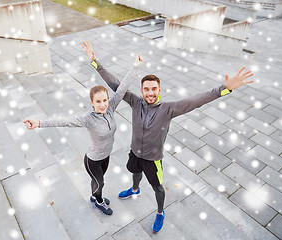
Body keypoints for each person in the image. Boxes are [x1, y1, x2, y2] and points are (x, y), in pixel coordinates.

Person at [83, 41, 253, 233]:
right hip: (135, 154)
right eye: (146, 89)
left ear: (159, 90)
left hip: (153, 160)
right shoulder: (135, 102)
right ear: (142, 90)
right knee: (134, 171)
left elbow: (196, 101)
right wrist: (95, 62)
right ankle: (135, 189)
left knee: (158, 188)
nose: (150, 93)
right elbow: (116, 84)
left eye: (154, 89)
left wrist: (225, 88)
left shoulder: (169, 109)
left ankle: (160, 212)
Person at [23, 53, 143, 215]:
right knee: (100, 183)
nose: (102, 104)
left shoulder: (111, 108)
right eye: (98, 101)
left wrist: (135, 65)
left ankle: (95, 196)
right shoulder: (88, 119)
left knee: (97, 182)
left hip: (105, 157)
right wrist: (39, 123)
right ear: (92, 103)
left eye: (104, 100)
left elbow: (122, 88)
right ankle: (99, 201)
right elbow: (64, 121)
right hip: (93, 160)